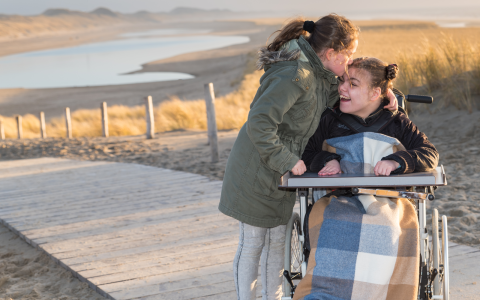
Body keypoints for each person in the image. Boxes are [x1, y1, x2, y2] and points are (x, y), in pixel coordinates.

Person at [218, 15, 398, 300]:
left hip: (282, 174)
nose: (350, 63)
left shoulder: (319, 72)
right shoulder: (294, 75)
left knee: (278, 241)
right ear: (331, 53)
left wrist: (385, 95)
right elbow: (259, 124)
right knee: (253, 243)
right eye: (348, 56)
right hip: (256, 170)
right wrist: (287, 160)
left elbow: (341, 99)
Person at [295, 57, 439, 300]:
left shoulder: (397, 122)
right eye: (342, 81)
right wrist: (326, 160)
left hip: (388, 201)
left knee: (385, 228)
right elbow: (307, 153)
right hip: (339, 199)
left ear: (375, 93)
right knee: (330, 224)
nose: (342, 88)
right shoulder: (330, 120)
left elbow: (429, 153)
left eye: (352, 84)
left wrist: (397, 161)